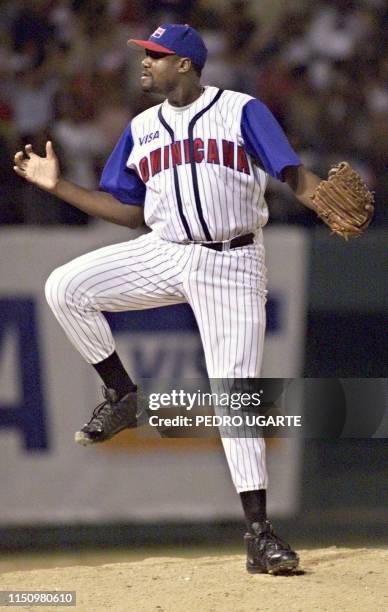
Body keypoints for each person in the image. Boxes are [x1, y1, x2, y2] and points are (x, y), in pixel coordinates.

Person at [14, 23, 328, 575]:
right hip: (164, 250)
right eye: (145, 55)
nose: (144, 63)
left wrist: (324, 200)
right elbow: (131, 211)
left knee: (236, 394)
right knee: (66, 286)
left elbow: (292, 174)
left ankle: (259, 534)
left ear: (184, 64)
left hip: (232, 261)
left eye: (154, 56)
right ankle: (121, 394)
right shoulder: (141, 128)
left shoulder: (241, 110)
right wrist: (58, 186)